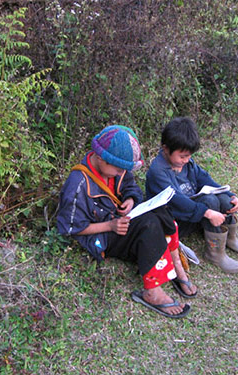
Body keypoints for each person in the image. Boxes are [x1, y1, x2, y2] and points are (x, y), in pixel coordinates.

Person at [57, 125, 197, 318]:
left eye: (123, 169)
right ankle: (152, 291)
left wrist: (130, 200)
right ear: (100, 158)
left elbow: (130, 186)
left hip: (119, 221)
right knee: (149, 225)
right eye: (116, 169)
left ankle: (176, 265)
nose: (119, 172)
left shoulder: (118, 167)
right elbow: (70, 228)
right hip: (103, 236)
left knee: (161, 211)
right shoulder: (78, 184)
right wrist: (110, 226)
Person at [145, 117, 238, 274]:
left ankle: (229, 238)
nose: (186, 160)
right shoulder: (157, 171)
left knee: (224, 199)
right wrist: (207, 212)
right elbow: (176, 200)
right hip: (174, 221)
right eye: (182, 156)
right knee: (209, 201)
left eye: (189, 156)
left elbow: (204, 179)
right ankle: (215, 254)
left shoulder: (187, 163)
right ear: (166, 149)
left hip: (193, 211)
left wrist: (230, 194)